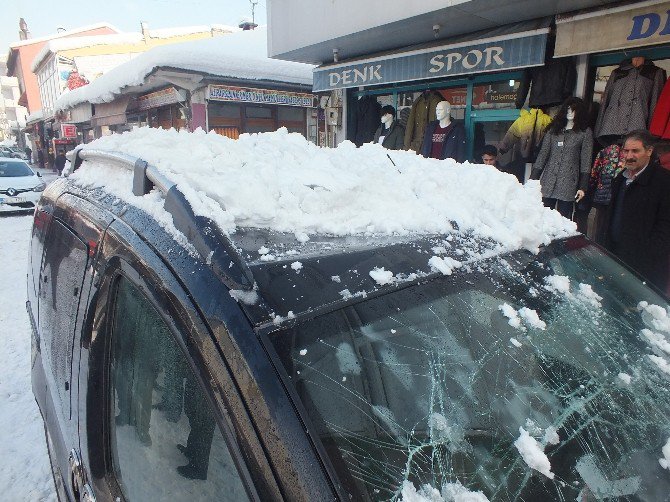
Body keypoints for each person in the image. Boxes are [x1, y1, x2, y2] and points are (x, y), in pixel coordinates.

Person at [605, 130, 670, 292]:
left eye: (635, 151)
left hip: (645, 266)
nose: (629, 156)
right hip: (617, 257)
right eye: (626, 151)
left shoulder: (664, 181)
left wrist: (650, 253)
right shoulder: (620, 178)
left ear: (649, 151)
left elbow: (666, 225)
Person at [531, 97, 593, 219]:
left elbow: (586, 161)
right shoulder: (553, 130)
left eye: (573, 110)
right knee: (542, 218)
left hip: (569, 183)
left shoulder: (584, 133)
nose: (570, 112)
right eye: (568, 109)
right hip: (548, 182)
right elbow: (543, 155)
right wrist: (533, 179)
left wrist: (582, 187)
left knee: (563, 220)